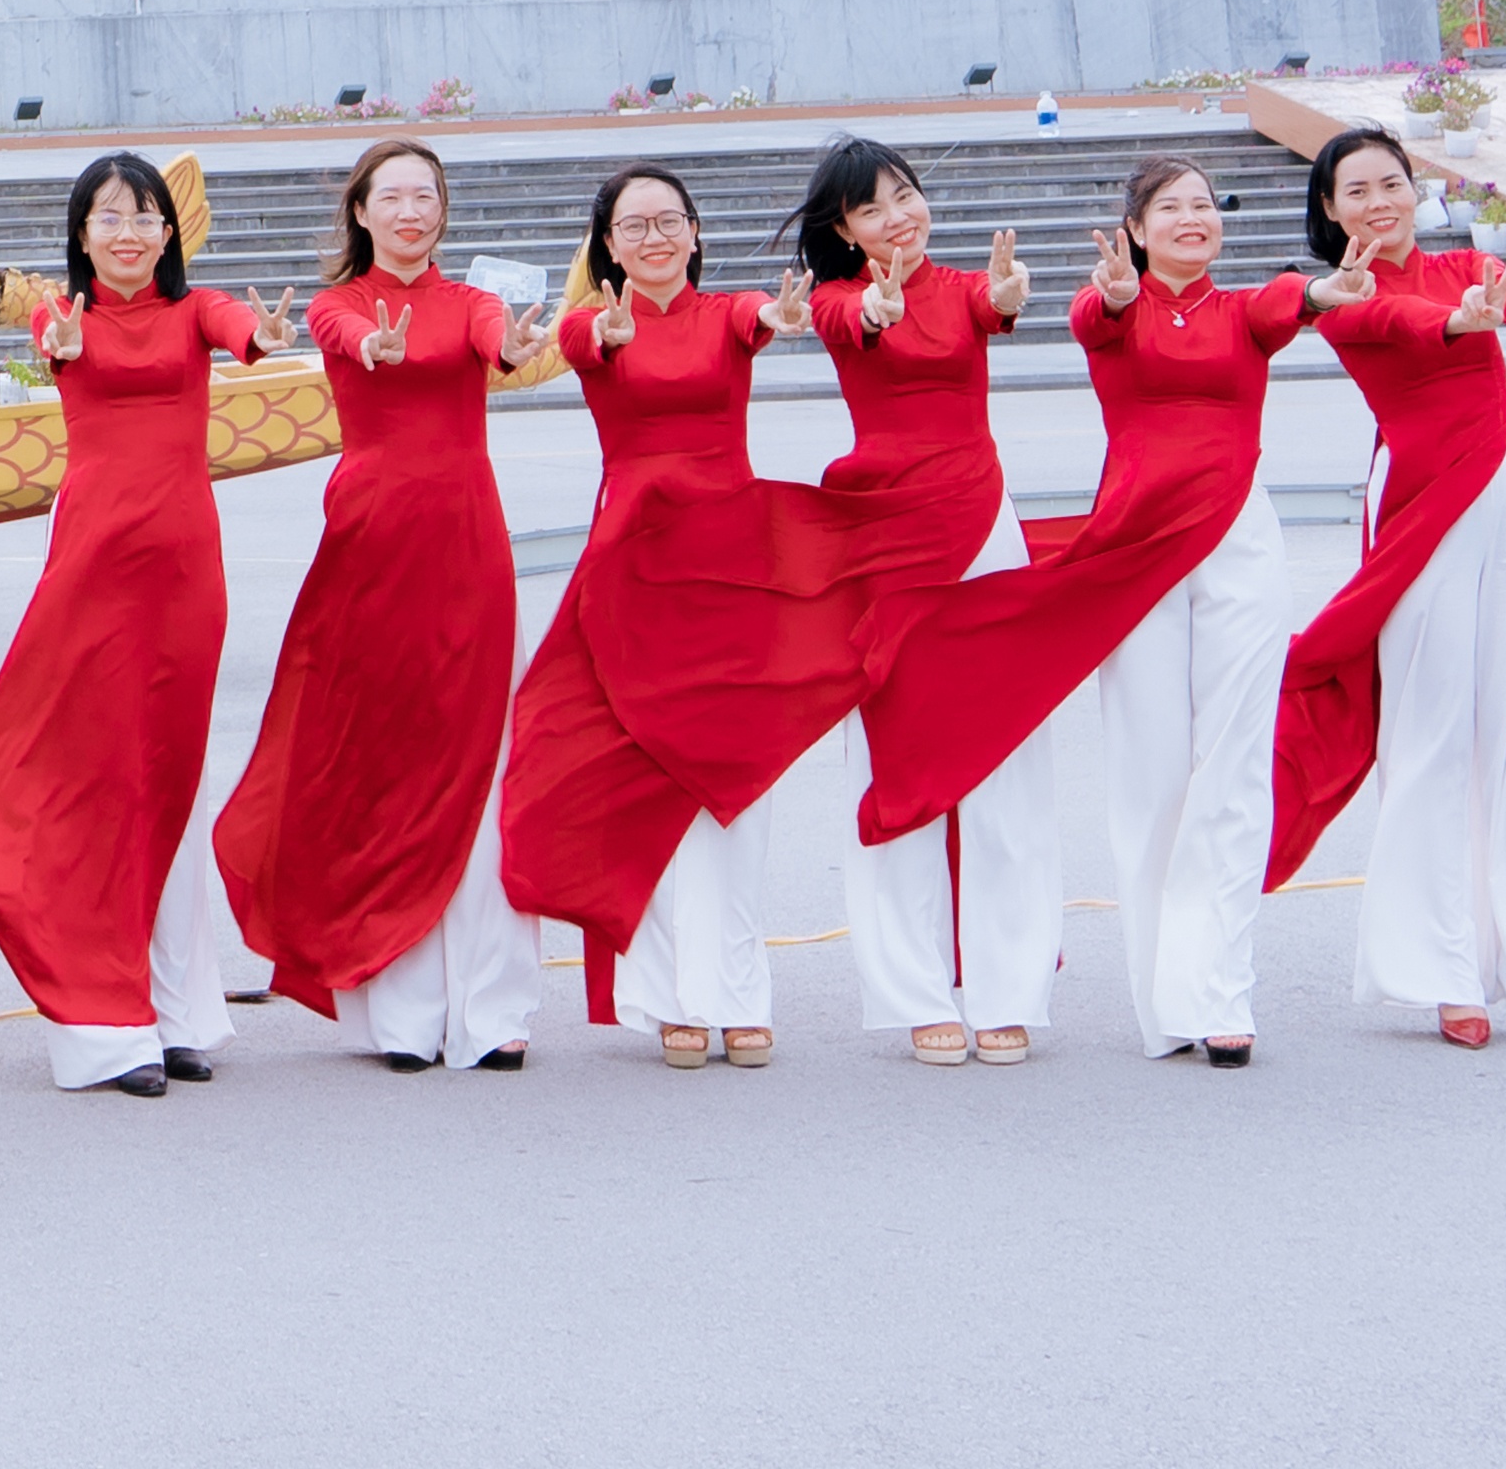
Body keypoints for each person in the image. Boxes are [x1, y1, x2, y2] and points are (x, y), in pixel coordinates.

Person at [860, 155, 1309, 1065]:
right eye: (1169, 208)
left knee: (1234, 764)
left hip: (1239, 538)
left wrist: (1326, 291)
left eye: (1204, 204)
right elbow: (1090, 318)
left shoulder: (1244, 311)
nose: (1192, 217)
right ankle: (1165, 997)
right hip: (1133, 550)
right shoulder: (1109, 306)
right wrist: (1115, 294)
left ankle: (1220, 987)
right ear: (1136, 231)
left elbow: (1291, 302)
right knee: (1151, 773)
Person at [493, 165, 859, 1062]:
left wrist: (778, 318)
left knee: (734, 784)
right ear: (608, 247)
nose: (654, 238)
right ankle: (667, 997)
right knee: (644, 781)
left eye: (669, 222)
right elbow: (581, 342)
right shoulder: (589, 326)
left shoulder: (728, 314)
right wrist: (600, 331)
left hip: (731, 572)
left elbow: (758, 318)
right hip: (631, 573)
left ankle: (739, 992)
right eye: (634, 226)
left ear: (695, 234)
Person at [214, 138, 549, 1075]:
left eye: (425, 196)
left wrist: (511, 345)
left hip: (466, 540)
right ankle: (400, 1004)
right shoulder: (341, 305)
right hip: (372, 542)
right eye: (392, 197)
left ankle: (493, 1007)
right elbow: (344, 337)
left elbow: (494, 334)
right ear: (361, 212)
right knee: (385, 755)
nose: (410, 212)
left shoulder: (472, 300)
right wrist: (373, 345)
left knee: (481, 755)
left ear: (443, 209)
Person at [0, 153, 266, 1096]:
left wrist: (261, 332)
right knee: (96, 777)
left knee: (167, 782)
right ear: (82, 236)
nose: (128, 233)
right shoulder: (65, 319)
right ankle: (103, 1020)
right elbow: (57, 341)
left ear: (169, 233)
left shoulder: (196, 310)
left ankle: (177, 1012)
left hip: (183, 573)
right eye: (108, 218)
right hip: (93, 568)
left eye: (144, 217)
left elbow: (237, 326)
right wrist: (62, 337)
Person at [1269, 123, 1506, 1049]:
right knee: (1434, 737)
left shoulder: (1461, 268)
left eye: (1392, 183)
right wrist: (1464, 321)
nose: (1380, 202)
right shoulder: (1341, 295)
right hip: (1421, 512)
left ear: (1417, 190)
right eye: (1357, 190)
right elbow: (1405, 323)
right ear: (1330, 210)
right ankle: (1442, 968)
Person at [773, 140, 1055, 1065]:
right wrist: (875, 308)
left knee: (1005, 755)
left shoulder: (970, 288)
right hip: (889, 543)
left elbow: (992, 303)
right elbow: (858, 319)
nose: (898, 217)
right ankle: (915, 989)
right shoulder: (835, 300)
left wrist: (1006, 297)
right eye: (872, 209)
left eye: (906, 196)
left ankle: (1010, 985)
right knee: (896, 758)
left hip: (984, 529)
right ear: (844, 230)